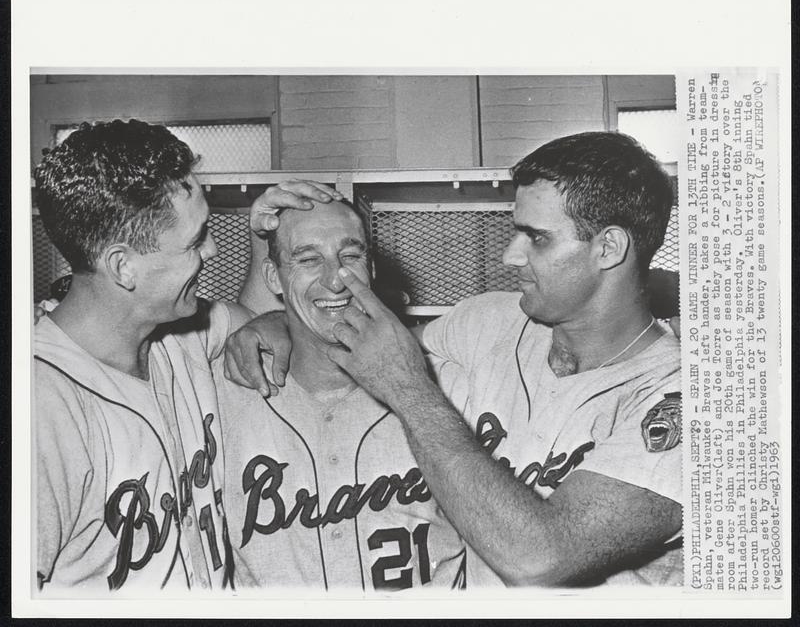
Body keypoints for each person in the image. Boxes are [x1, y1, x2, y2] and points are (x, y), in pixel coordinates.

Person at [228, 131, 683, 587]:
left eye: (536, 238)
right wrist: (278, 321)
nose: (510, 254)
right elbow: (364, 342)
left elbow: (541, 559)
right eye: (515, 231)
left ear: (609, 248)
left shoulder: (690, 402)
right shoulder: (491, 320)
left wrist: (410, 392)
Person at [33, 120, 250, 593]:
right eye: (196, 241)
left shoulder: (180, 332)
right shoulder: (39, 407)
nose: (212, 250)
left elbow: (256, 324)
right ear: (123, 266)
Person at [214, 199, 467, 591]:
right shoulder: (221, 398)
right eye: (308, 260)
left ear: (371, 269)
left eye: (350, 255)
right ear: (274, 277)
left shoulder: (447, 386)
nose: (335, 280)